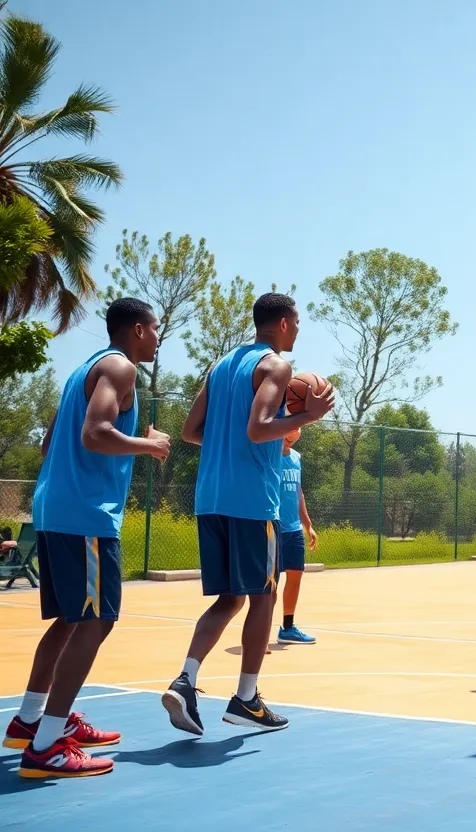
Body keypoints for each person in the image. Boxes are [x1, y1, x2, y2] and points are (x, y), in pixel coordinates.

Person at [5, 298, 169, 779]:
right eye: (156, 328)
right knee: (96, 622)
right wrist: (149, 445)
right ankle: (47, 746)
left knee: (73, 621)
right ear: (138, 329)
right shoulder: (119, 368)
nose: (158, 337)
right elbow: (94, 433)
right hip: (85, 515)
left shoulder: (84, 369)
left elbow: (49, 442)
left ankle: (30, 720)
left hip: (55, 507)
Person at [161, 293, 334, 736]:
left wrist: (228, 442)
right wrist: (309, 415)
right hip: (252, 501)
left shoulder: (220, 367)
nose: (296, 330)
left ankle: (186, 680)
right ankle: (246, 698)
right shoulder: (275, 366)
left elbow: (189, 431)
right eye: (295, 322)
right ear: (280, 322)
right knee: (263, 596)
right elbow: (258, 429)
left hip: (211, 498)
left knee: (229, 599)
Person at [276, 427, 317, 645]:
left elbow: (298, 491)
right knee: (269, 583)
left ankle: (288, 628)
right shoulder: (268, 455)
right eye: (287, 433)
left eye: (294, 435)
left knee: (295, 576)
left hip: (293, 529)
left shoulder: (296, 458)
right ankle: (259, 633)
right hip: (271, 527)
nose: (290, 438)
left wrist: (307, 524)